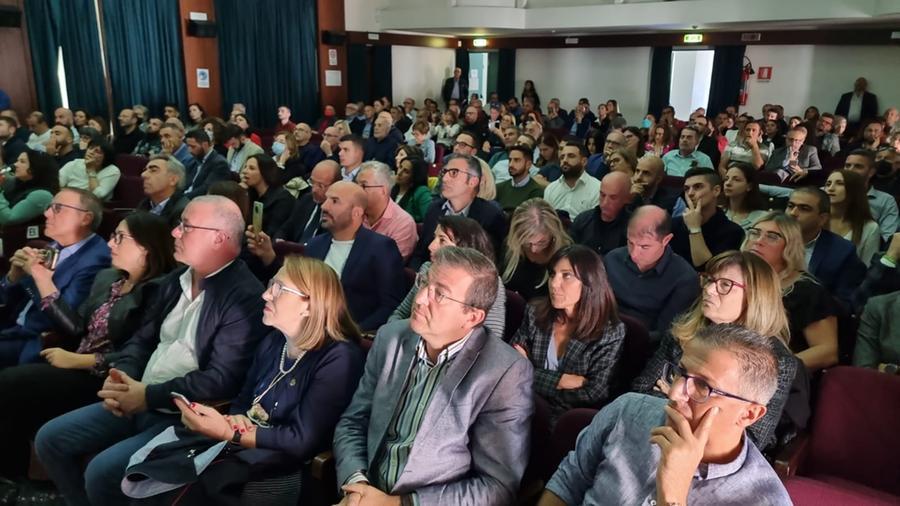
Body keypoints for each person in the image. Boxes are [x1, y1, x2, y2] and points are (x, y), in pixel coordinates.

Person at [34, 196, 266, 506]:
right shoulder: (173, 281)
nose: (174, 233)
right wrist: (121, 378)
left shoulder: (244, 297)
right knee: (50, 439)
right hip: (139, 395)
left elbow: (220, 379)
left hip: (184, 416)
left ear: (218, 238)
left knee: (102, 472)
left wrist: (147, 395)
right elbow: (141, 342)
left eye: (186, 226)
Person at [143, 256, 365, 504]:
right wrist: (236, 419)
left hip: (288, 468)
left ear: (310, 306)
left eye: (279, 289)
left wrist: (232, 432)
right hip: (243, 450)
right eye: (271, 284)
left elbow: (302, 441)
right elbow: (243, 400)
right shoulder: (273, 341)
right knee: (159, 479)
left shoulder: (339, 358)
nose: (266, 295)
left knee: (187, 493)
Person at [333, 246, 533, 505]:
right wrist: (357, 484)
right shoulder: (391, 337)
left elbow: (496, 486)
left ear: (472, 316)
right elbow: (353, 422)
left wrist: (397, 504)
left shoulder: (504, 373)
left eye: (440, 294)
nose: (420, 298)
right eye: (424, 282)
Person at [0, 212, 175, 479]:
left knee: (11, 383)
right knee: (17, 386)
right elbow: (77, 327)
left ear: (146, 247)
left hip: (108, 375)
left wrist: (80, 360)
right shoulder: (109, 278)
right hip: (76, 362)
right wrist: (43, 282)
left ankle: (14, 477)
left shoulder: (158, 290)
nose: (110, 244)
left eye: (119, 237)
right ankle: (18, 475)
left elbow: (140, 350)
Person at [541, 323, 791, 506]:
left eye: (703, 386)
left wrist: (672, 496)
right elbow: (569, 483)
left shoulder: (764, 500)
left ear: (749, 414)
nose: (675, 393)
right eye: (680, 373)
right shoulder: (628, 411)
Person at [633, 251, 797, 452]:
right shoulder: (684, 331)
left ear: (755, 297)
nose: (709, 289)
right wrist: (701, 407)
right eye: (709, 280)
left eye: (725, 285)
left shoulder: (777, 361)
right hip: (652, 438)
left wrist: (674, 399)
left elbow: (752, 440)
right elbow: (639, 392)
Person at [512, 244, 625, 421]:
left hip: (566, 419)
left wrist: (530, 374)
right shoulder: (534, 312)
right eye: (552, 274)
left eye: (567, 276)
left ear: (590, 282)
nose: (554, 284)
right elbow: (511, 365)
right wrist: (561, 381)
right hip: (519, 403)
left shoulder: (609, 332)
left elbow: (595, 393)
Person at [0, 188, 111, 366]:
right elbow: (9, 298)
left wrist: (33, 277)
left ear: (85, 218)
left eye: (58, 208)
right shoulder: (57, 245)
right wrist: (14, 277)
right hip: (11, 323)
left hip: (35, 340)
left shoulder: (96, 260)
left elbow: (62, 319)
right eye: (49, 207)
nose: (46, 213)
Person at [296, 182, 405, 331]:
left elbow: (390, 306)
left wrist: (354, 332)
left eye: (334, 201)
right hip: (306, 327)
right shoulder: (314, 245)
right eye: (326, 199)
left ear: (357, 212)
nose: (324, 206)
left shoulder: (381, 248)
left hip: (348, 336)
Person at [743, 212, 839, 372]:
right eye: (755, 233)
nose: (758, 241)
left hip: (780, 378)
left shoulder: (807, 291)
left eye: (772, 237)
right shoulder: (734, 279)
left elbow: (827, 352)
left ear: (790, 246)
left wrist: (770, 369)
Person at [390, 216, 507, 339]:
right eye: (434, 238)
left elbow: (492, 339)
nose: (431, 246)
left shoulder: (489, 283)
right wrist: (399, 339)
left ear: (464, 248)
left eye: (442, 240)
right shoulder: (428, 268)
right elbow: (400, 314)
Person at [603, 206, 700, 342]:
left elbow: (665, 333)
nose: (634, 253)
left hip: (641, 346)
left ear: (666, 240)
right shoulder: (612, 259)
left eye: (644, 246)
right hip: (601, 332)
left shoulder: (684, 278)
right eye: (630, 242)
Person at [244, 161, 342, 277]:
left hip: (312, 268)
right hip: (290, 259)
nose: (314, 189)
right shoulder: (307, 200)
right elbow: (287, 227)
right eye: (312, 182)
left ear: (336, 185)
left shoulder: (338, 214)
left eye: (320, 185)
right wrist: (279, 240)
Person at [410, 154, 507, 269]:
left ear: (473, 181)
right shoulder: (434, 208)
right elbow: (420, 252)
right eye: (444, 172)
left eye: (454, 173)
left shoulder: (491, 215)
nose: (444, 178)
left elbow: (491, 263)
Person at [786, 186, 865, 309]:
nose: (793, 213)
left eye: (804, 209)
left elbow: (845, 302)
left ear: (822, 219)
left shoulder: (842, 251)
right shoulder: (767, 238)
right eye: (790, 206)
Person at [671, 167, 745, 269]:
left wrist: (694, 229)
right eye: (687, 188)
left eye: (697, 187)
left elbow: (708, 268)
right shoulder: (673, 224)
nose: (690, 193)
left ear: (716, 191)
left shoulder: (733, 232)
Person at [503, 198, 573, 301]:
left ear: (553, 235)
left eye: (541, 242)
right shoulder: (510, 246)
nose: (534, 249)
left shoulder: (567, 255)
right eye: (527, 243)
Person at [357, 161, 418, 261]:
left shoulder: (403, 223)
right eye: (356, 185)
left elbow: (389, 265)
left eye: (363, 186)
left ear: (383, 190)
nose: (357, 191)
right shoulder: (354, 212)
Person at [825, 169, 880, 266]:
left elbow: (866, 267)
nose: (831, 188)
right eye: (828, 184)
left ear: (854, 189)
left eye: (840, 184)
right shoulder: (815, 218)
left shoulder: (870, 227)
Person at [842, 149, 899, 243]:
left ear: (871, 172)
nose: (850, 170)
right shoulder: (826, 192)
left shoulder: (886, 200)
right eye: (847, 165)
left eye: (858, 166)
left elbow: (887, 237)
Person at [569, 171, 632, 255]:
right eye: (602, 195)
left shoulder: (632, 227)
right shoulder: (582, 220)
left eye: (613, 198)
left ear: (626, 199)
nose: (605, 203)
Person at [239, 153, 295, 238]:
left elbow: (272, 233)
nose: (244, 171)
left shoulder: (283, 199)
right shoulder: (251, 194)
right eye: (245, 167)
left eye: (251, 168)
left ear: (264, 172)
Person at [544, 142, 601, 221]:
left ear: (584, 161)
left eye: (571, 156)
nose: (565, 160)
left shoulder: (597, 188)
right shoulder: (551, 189)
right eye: (562, 157)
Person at [0, 150, 58, 225]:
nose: (15, 165)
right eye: (17, 161)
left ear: (36, 166)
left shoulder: (42, 195)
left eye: (22, 162)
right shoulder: (17, 184)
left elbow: (8, 219)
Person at [136, 154, 189, 229]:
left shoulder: (183, 211)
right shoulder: (144, 204)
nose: (143, 175)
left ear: (173, 179)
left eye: (153, 170)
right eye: (145, 170)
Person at [495, 144, 545, 213]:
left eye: (516, 160)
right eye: (510, 160)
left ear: (528, 165)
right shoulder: (499, 188)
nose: (511, 164)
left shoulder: (535, 192)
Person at [183, 129, 231, 199]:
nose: (189, 150)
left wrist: (183, 198)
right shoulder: (193, 161)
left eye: (193, 147)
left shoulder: (219, 163)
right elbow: (185, 184)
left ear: (205, 145)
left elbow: (206, 189)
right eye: (188, 146)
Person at [722, 162, 768, 231]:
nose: (728, 183)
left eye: (736, 180)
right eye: (726, 179)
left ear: (749, 186)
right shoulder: (716, 212)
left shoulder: (763, 218)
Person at [391, 155, 432, 223]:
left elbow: (429, 220)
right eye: (400, 167)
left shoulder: (421, 192)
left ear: (415, 176)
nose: (399, 173)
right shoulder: (392, 187)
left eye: (406, 171)